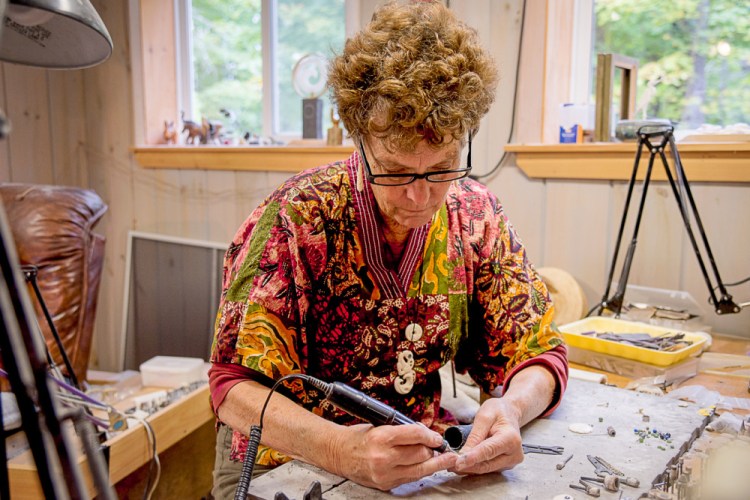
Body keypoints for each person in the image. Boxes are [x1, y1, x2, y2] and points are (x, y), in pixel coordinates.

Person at [208, 1, 568, 498]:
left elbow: (539, 350)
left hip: (413, 454)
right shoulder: (297, 219)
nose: (419, 196)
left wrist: (512, 409)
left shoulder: (476, 217)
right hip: (285, 453)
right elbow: (233, 389)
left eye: (442, 167)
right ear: (360, 139)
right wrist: (340, 450)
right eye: (396, 171)